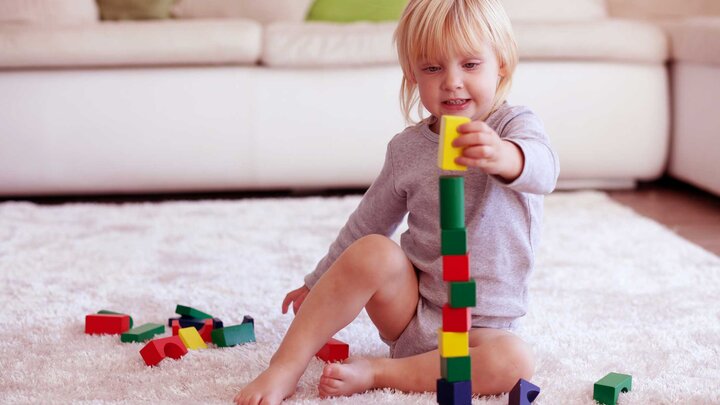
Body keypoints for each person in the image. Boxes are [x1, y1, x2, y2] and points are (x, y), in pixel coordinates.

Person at [234, 0, 559, 403]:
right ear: (412, 75)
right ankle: (284, 367)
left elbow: (545, 171)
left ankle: (380, 372)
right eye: (433, 68)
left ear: (502, 65)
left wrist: (505, 156)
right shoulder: (407, 148)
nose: (452, 82)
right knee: (373, 250)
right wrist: (317, 283)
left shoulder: (513, 126)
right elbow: (367, 223)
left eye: (471, 65)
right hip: (414, 316)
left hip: (484, 329)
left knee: (516, 361)